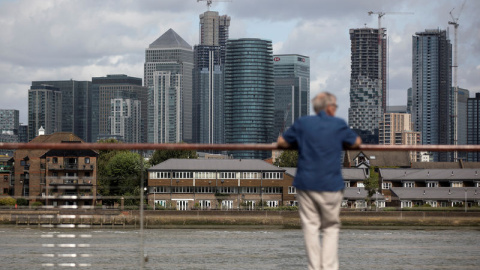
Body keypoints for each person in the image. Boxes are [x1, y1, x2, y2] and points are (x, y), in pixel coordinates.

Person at [277, 92, 361, 270]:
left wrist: (297, 142)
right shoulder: (338, 124)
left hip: (306, 183)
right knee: (330, 227)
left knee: (310, 226)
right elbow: (356, 142)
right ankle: (329, 267)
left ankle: (314, 267)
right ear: (329, 107)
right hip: (331, 184)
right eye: (335, 106)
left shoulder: (303, 123)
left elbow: (282, 142)